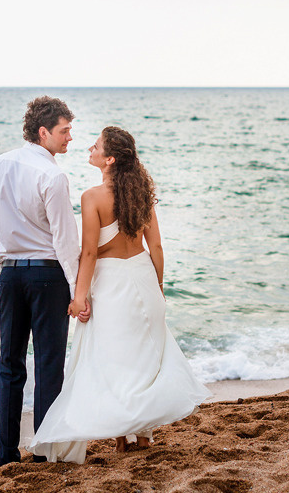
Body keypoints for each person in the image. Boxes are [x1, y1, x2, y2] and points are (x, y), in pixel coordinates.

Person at [29, 126, 210, 463]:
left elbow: (89, 254)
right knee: (142, 361)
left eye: (96, 146)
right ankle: (140, 438)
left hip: (112, 283)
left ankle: (123, 440)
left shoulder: (92, 197)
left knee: (114, 361)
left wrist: (79, 297)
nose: (90, 148)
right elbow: (155, 246)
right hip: (142, 276)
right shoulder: (141, 194)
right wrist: (158, 286)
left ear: (109, 159)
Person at [0, 96, 89, 466]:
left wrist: (3, 267)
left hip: (11, 274)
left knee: (10, 364)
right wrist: (78, 289)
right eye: (64, 131)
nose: (70, 138)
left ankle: (6, 451)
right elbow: (64, 239)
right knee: (47, 364)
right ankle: (44, 450)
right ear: (43, 132)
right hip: (48, 275)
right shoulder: (53, 175)